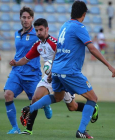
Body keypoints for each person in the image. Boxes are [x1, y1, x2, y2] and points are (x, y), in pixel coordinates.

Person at [21, 1, 115, 139]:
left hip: (58, 69)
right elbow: (92, 48)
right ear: (84, 14)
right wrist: (109, 65)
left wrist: (53, 71)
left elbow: (57, 50)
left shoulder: (64, 26)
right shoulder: (79, 27)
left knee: (58, 97)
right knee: (93, 98)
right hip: (69, 71)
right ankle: (81, 131)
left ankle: (30, 108)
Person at [10, 18, 99, 135]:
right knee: (35, 98)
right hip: (49, 76)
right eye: (36, 30)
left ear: (47, 29)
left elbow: (64, 55)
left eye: (41, 30)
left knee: (72, 107)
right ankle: (28, 130)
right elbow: (26, 59)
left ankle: (93, 108)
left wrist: (53, 68)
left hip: (61, 75)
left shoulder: (54, 43)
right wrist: (16, 63)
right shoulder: (38, 45)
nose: (38, 33)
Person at [4, 6, 44, 134]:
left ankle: (46, 104)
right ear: (20, 18)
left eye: (28, 18)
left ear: (32, 19)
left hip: (31, 73)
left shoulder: (37, 34)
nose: (26, 20)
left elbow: (48, 42)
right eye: (24, 17)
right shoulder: (17, 33)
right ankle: (15, 128)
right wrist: (14, 61)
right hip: (17, 71)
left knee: (36, 101)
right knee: (7, 94)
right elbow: (19, 52)